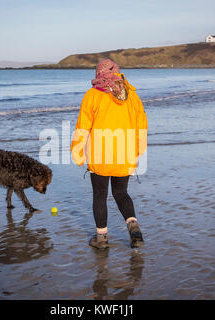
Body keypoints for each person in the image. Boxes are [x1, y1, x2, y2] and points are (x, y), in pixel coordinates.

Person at [71, 59, 148, 249]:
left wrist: (77, 151)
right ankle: (134, 227)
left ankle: (102, 238)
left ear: (99, 74)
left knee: (100, 195)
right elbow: (142, 126)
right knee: (121, 193)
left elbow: (83, 125)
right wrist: (138, 150)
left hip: (100, 155)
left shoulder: (92, 95)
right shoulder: (132, 96)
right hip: (125, 155)